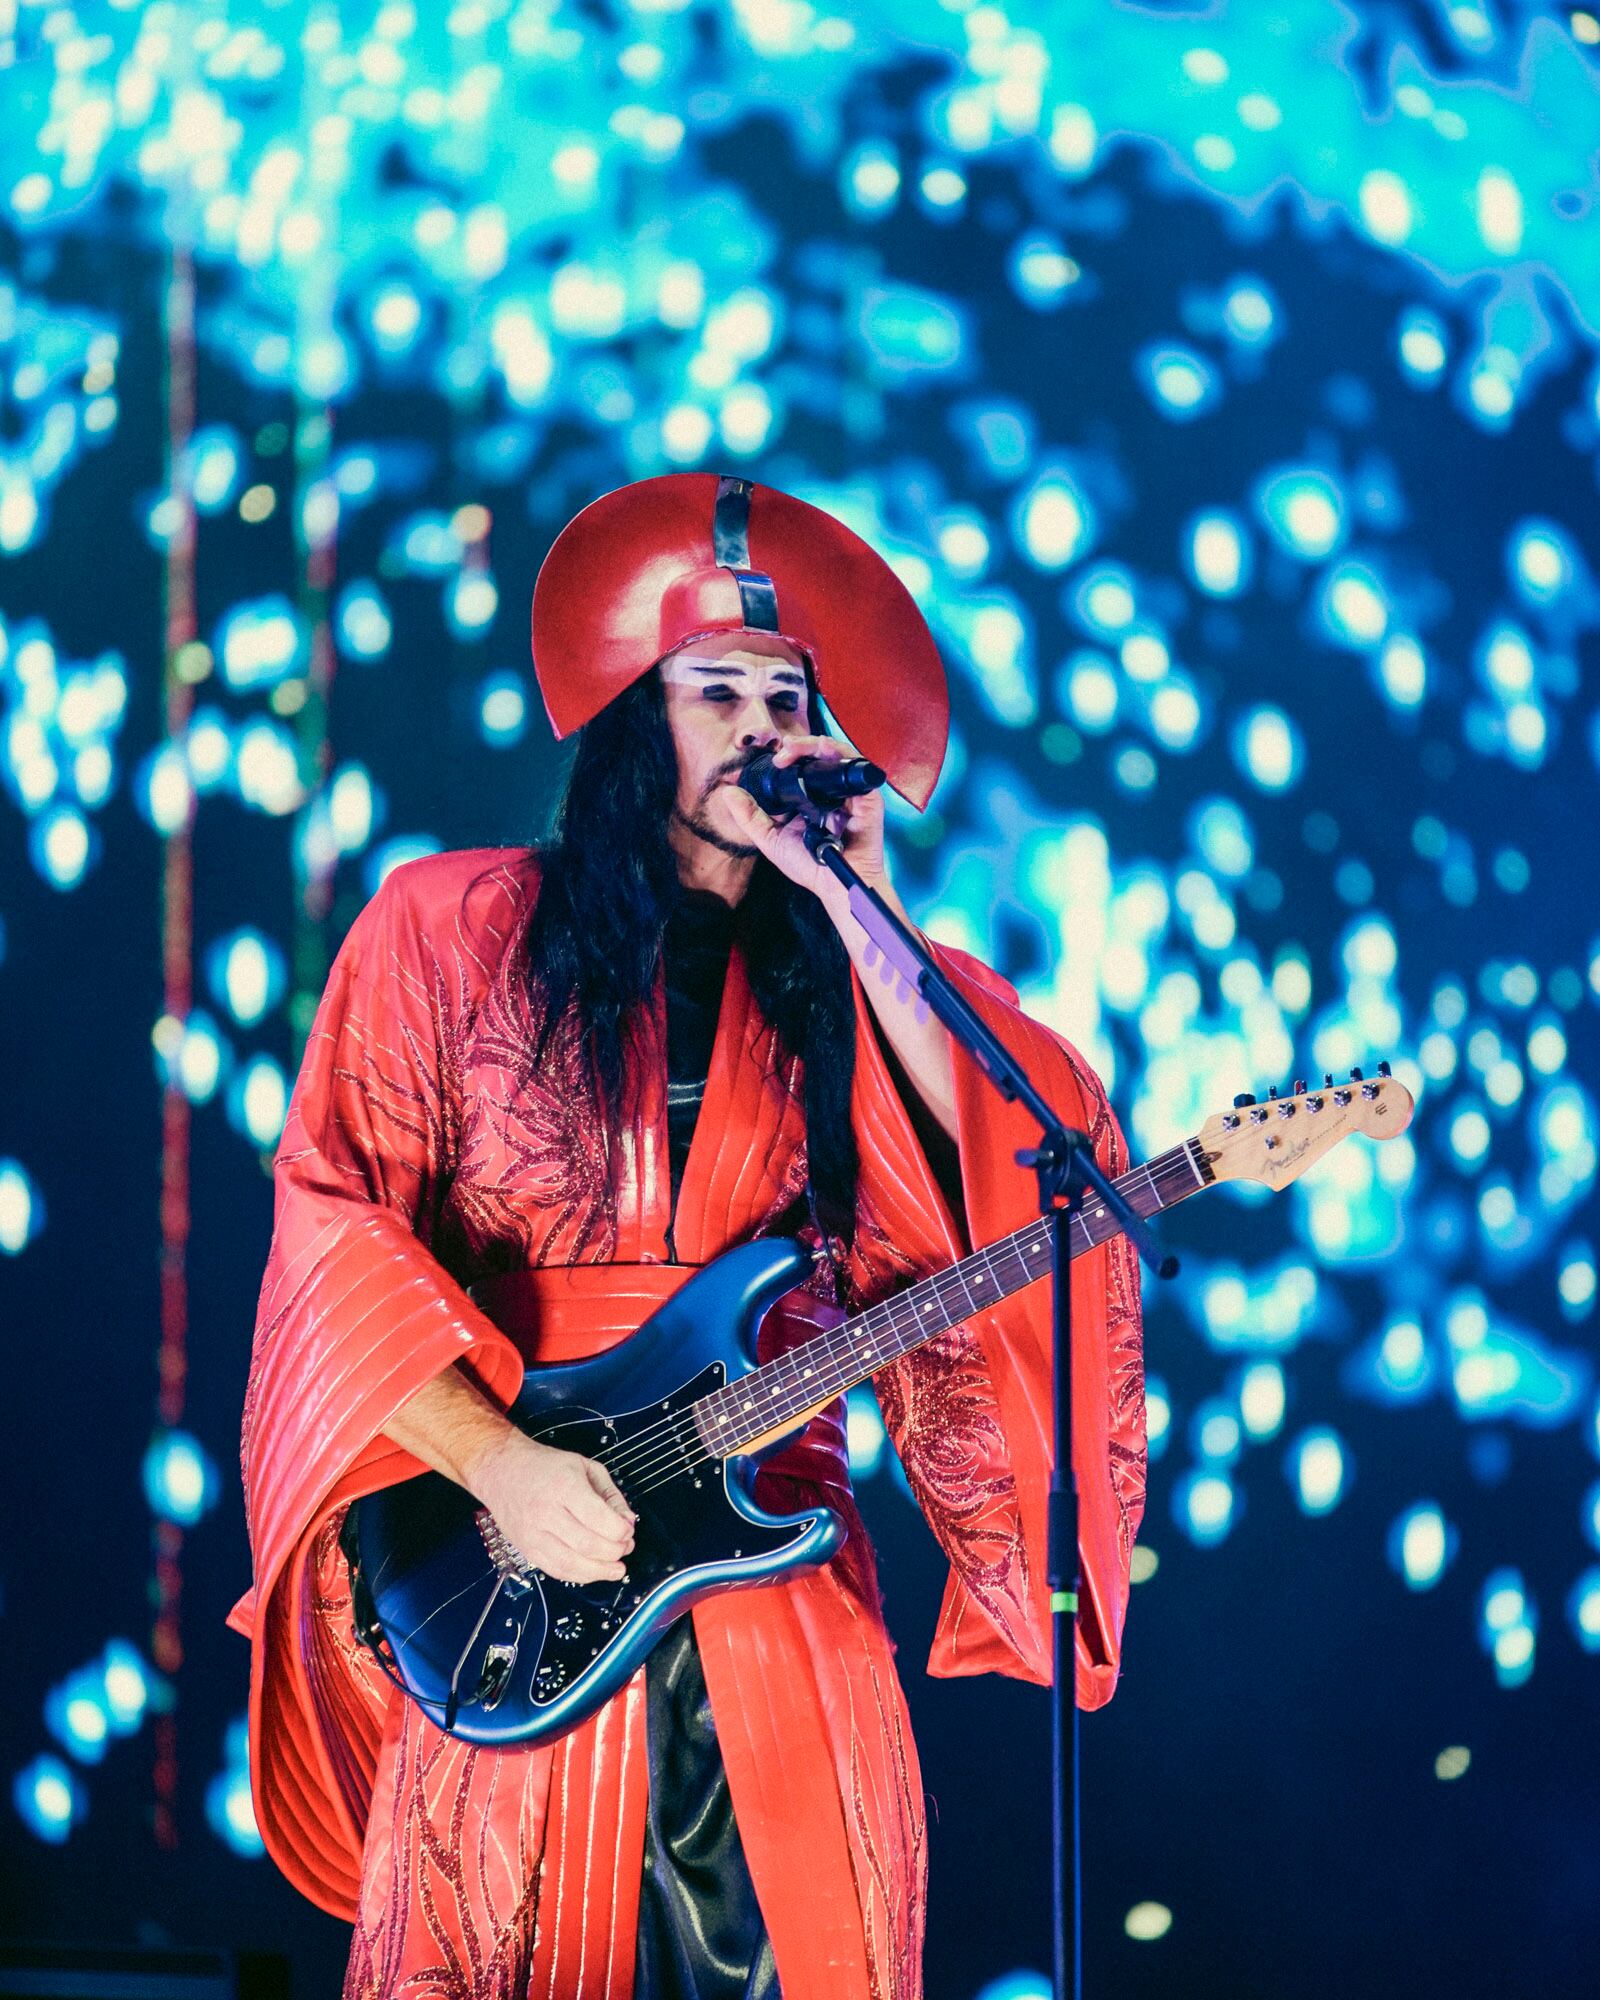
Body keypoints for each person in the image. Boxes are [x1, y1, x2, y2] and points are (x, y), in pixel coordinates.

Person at [231, 472, 1146, 2000]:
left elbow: (1019, 1161)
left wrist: (866, 906)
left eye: (791, 698)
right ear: (630, 719)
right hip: (515, 1561)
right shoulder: (441, 930)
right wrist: (498, 1463)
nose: (761, 729)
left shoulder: (858, 982)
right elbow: (334, 1242)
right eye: (715, 689)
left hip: (778, 1574)